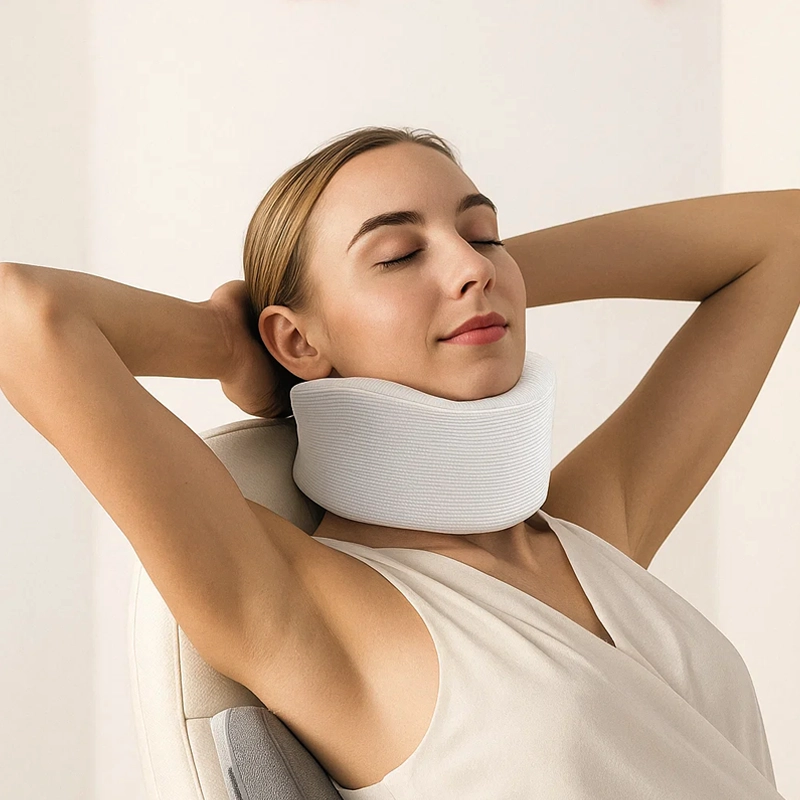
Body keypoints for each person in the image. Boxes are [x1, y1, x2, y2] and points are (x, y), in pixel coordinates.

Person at [1, 126, 792, 798]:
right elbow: (22, 313)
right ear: (295, 339)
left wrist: (486, 279)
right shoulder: (311, 612)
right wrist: (228, 343)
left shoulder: (590, 532)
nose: (471, 265)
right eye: (397, 253)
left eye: (483, 233)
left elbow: (783, 235)